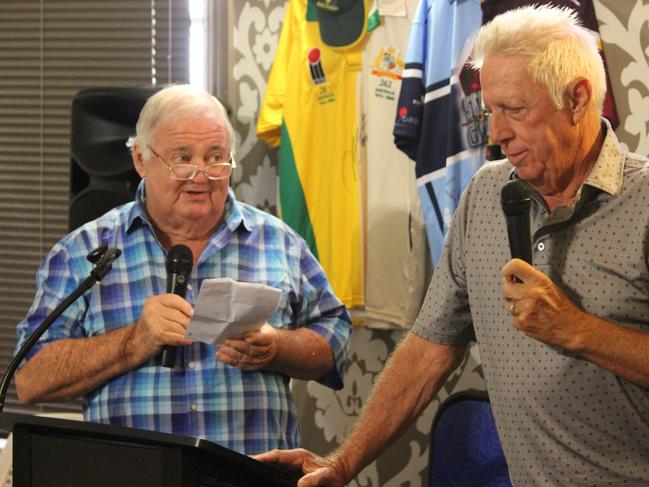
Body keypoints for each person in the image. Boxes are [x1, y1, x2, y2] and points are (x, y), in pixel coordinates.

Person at [255, 5, 649, 485]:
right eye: (490, 111)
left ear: (578, 99)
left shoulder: (644, 201)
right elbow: (428, 351)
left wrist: (576, 330)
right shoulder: (486, 194)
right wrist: (342, 464)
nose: (497, 134)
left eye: (516, 110)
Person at [14, 84, 352, 455]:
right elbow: (31, 378)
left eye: (215, 157)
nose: (201, 174)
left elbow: (335, 338)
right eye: (182, 158)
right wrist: (135, 341)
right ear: (141, 159)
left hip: (250, 477)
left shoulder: (280, 243)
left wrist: (277, 347)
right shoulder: (83, 252)